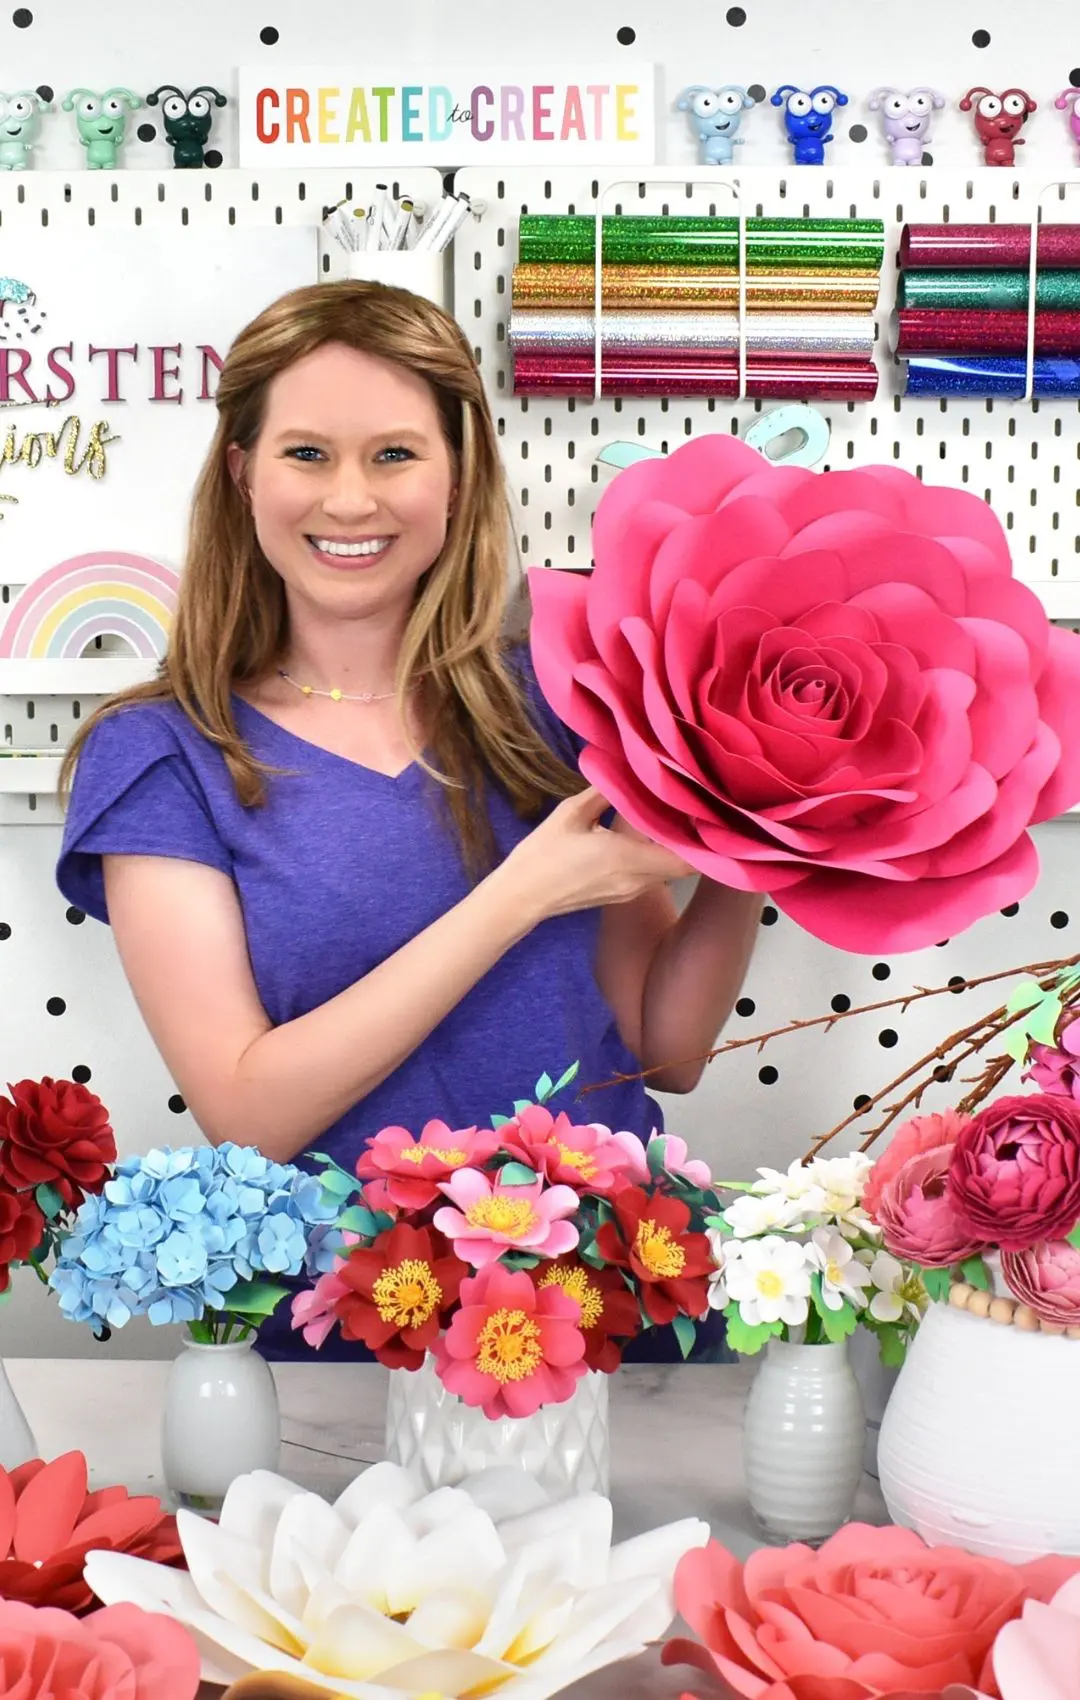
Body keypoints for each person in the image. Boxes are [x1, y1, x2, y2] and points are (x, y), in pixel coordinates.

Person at [54, 280, 763, 1360]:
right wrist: (523, 893)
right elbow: (248, 1111)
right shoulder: (166, 753)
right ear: (241, 471)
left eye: (393, 454)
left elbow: (666, 1051)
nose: (350, 500)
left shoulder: (565, 708)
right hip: (356, 1342)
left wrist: (765, 838)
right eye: (306, 453)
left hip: (607, 1322)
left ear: (458, 473)